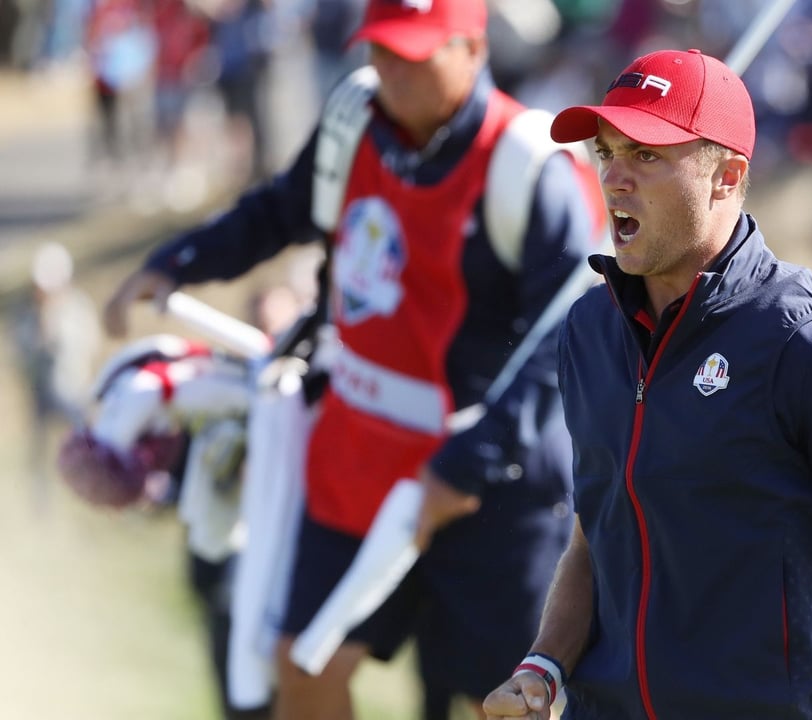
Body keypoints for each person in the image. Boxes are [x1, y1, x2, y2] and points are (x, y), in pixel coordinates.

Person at [101, 0, 604, 717]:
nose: (391, 71)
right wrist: (177, 262)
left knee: (510, 699)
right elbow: (282, 209)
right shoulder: (354, 123)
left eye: (415, 54)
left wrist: (464, 467)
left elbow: (570, 341)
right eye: (381, 50)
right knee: (303, 663)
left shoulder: (531, 165)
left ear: (470, 48)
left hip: (493, 482)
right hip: (359, 457)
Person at [482, 48, 812, 720]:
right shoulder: (589, 330)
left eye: (646, 155)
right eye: (607, 151)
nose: (615, 177)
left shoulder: (807, 341)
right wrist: (544, 664)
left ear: (726, 176)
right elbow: (597, 532)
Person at [11, 242, 101, 511]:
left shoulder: (78, 308)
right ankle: (41, 505)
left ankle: (89, 494)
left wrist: (55, 331)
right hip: (40, 393)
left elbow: (86, 346)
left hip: (73, 392)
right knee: (39, 452)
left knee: (84, 444)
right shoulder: (27, 315)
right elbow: (20, 354)